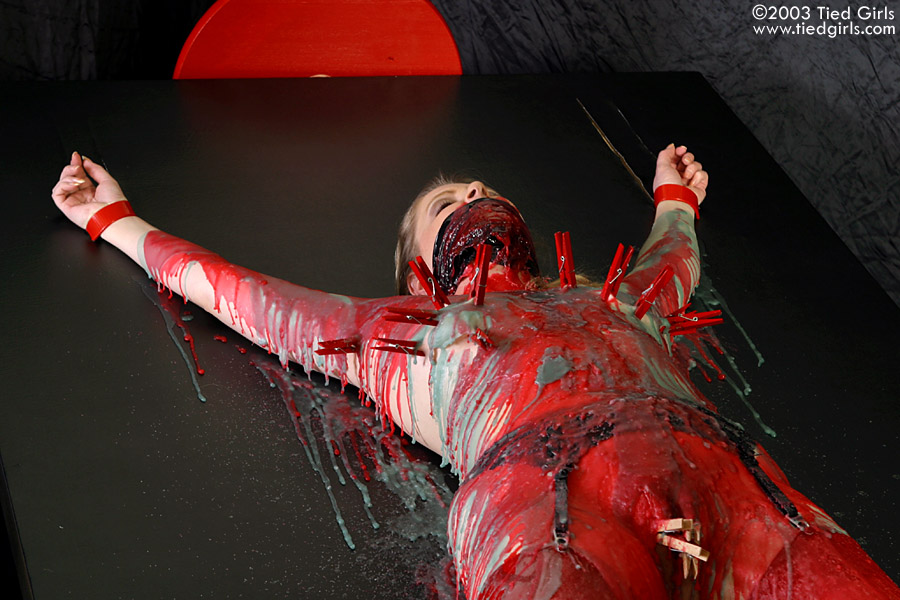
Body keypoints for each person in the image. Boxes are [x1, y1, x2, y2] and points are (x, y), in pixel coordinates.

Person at [52, 146, 900, 599]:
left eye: (481, 187)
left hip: (730, 478)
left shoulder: (611, 301)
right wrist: (115, 219)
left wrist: (674, 200)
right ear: (415, 273)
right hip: (544, 496)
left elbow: (670, 260)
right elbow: (245, 297)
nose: (472, 196)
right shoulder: (403, 337)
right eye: (444, 203)